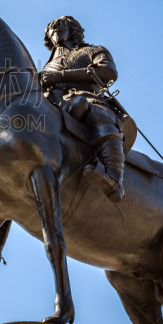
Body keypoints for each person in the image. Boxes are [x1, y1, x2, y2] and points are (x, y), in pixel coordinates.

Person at [40, 16, 125, 202]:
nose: (56, 30)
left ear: (73, 30)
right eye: (51, 29)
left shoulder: (94, 50)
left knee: (97, 111)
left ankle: (113, 178)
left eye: (61, 25)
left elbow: (108, 72)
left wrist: (60, 76)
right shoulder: (46, 66)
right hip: (54, 105)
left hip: (87, 100)